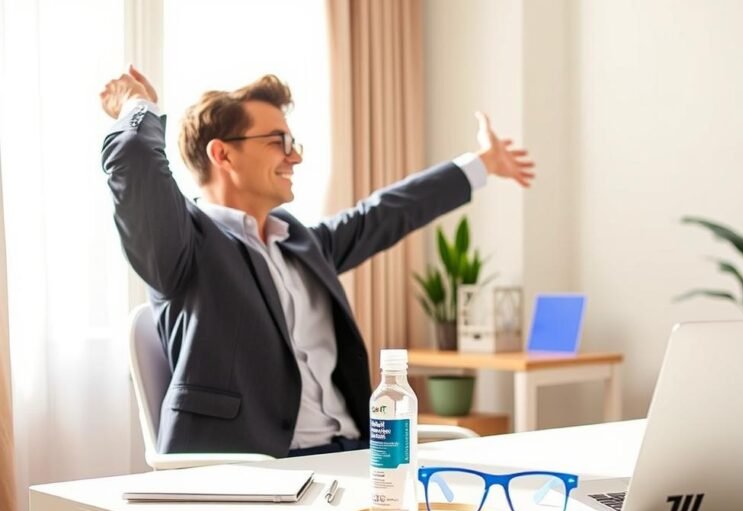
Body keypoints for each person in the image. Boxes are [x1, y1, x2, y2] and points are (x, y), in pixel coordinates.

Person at [100, 66, 534, 458]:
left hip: (358, 457)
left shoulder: (300, 243)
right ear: (223, 155)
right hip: (258, 472)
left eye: (293, 142)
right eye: (278, 142)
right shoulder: (184, 244)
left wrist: (480, 165)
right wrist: (140, 106)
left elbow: (384, 213)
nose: (296, 155)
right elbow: (135, 162)